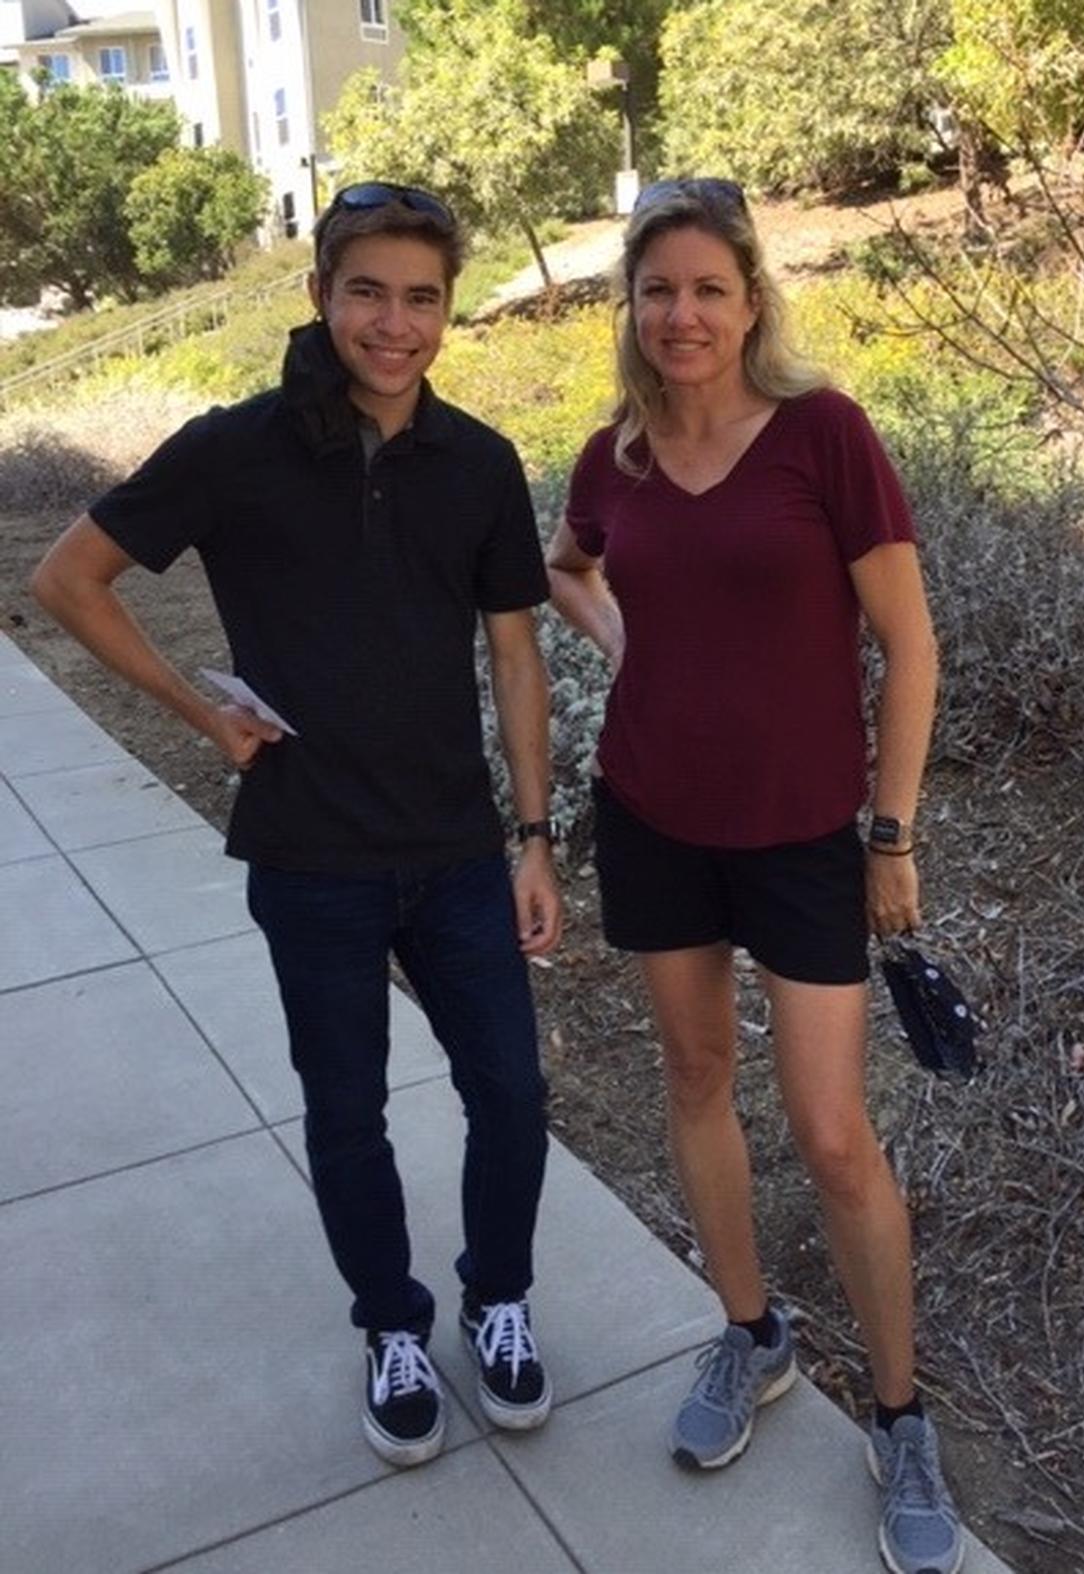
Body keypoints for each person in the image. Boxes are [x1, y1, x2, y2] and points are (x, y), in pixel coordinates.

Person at [31, 181, 562, 1470]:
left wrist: (535, 834)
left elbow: (514, 656)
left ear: (448, 311)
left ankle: (498, 1299)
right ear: (321, 296)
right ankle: (391, 1325)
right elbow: (66, 581)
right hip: (312, 855)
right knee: (346, 1112)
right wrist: (202, 719)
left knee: (514, 1096)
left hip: (452, 853)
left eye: (421, 298)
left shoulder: (480, 464)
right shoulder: (236, 446)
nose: (394, 324)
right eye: (367, 291)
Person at [546, 178, 963, 1574]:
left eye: (708, 288)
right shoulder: (618, 452)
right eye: (657, 290)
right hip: (654, 815)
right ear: (634, 307)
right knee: (693, 1076)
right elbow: (570, 565)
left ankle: (900, 1415)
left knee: (836, 1133)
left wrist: (890, 834)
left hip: (801, 836)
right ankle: (750, 1331)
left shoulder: (825, 436)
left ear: (751, 298)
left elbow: (910, 646)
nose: (683, 315)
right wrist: (629, 652)